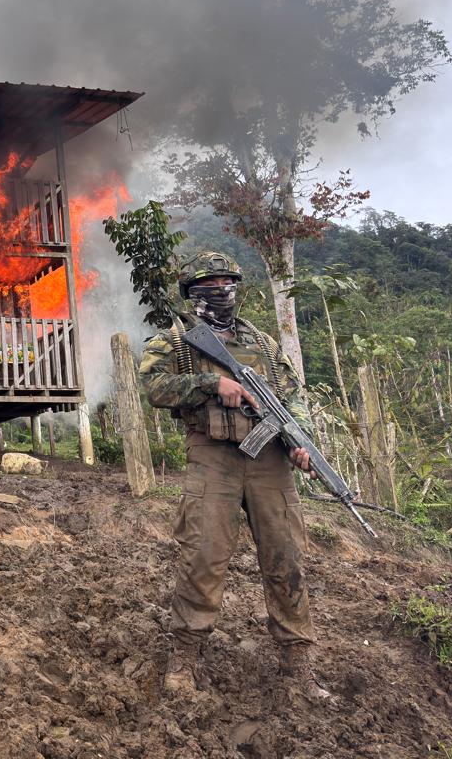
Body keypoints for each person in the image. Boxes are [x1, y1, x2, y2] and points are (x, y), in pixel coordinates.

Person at [138, 251, 331, 700]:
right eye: (210, 284)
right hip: (213, 457)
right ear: (192, 292)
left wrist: (300, 443)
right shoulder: (176, 341)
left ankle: (298, 662)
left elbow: (291, 397)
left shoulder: (262, 343)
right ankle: (185, 656)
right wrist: (212, 385)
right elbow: (154, 386)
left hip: (271, 460)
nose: (221, 291)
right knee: (203, 555)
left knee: (286, 557)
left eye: (227, 283)